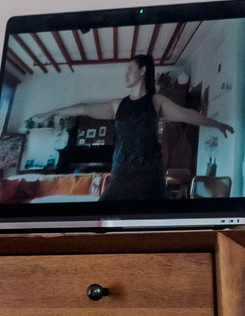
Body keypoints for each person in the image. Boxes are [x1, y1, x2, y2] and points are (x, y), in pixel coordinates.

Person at [40, 53, 232, 204]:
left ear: (142, 70)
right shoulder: (118, 105)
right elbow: (84, 108)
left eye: (130, 68)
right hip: (121, 176)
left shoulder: (156, 101)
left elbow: (186, 114)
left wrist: (216, 124)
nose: (126, 74)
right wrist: (52, 113)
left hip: (149, 179)